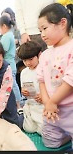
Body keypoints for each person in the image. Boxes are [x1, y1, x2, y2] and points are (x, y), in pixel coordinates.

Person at [37, 3, 73, 148]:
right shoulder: (45, 54)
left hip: (70, 109)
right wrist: (47, 103)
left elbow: (70, 81)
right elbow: (41, 80)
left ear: (62, 23)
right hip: (52, 110)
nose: (42, 35)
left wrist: (53, 101)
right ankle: (65, 136)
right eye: (40, 30)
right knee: (50, 143)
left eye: (45, 28)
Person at [0, 15, 23, 114]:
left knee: (12, 85)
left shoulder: (6, 36)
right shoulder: (10, 34)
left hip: (8, 64)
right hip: (11, 63)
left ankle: (19, 105)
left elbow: (2, 51)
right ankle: (17, 104)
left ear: (3, 26)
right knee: (12, 85)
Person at [17, 41, 44, 135]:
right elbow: (23, 88)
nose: (28, 63)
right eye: (24, 61)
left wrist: (43, 96)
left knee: (43, 131)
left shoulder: (44, 68)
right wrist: (23, 92)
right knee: (28, 129)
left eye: (31, 59)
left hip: (43, 105)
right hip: (30, 104)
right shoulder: (24, 72)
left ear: (39, 55)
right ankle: (21, 114)